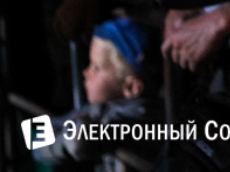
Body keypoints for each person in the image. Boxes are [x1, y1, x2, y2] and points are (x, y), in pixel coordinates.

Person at [33, 18, 165, 171]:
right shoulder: (104, 108)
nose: (85, 72)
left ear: (131, 87)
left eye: (96, 67)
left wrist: (70, 137)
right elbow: (40, 137)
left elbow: (80, 141)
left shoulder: (139, 119)